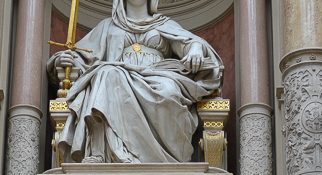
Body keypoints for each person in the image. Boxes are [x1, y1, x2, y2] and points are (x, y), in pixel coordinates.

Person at [47, 0, 223, 164]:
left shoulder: (164, 24)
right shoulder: (107, 26)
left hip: (159, 76)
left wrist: (195, 49)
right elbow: (82, 57)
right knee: (106, 73)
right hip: (116, 78)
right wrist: (65, 60)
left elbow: (190, 45)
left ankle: (165, 158)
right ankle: (105, 152)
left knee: (168, 90)